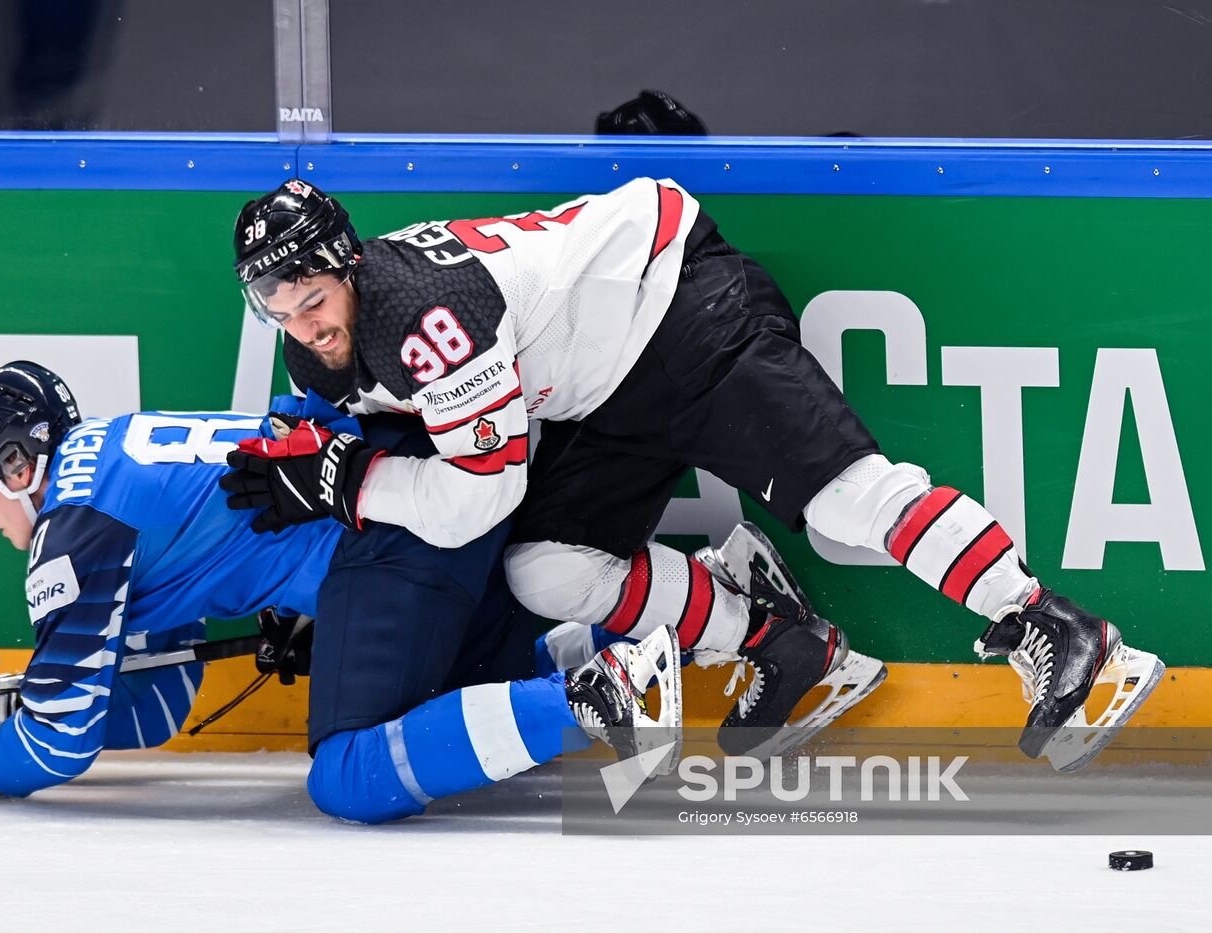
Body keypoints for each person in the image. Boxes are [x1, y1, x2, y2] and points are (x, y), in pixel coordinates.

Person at [223, 178, 1165, 772]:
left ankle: (1063, 628)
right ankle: (785, 639)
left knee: (843, 499)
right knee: (543, 568)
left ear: (348, 265)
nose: (305, 325)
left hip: (680, 309)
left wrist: (348, 485)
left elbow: (481, 494)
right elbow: (378, 435)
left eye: (313, 299)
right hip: (600, 386)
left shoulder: (425, 314)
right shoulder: (330, 341)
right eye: (281, 309)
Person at [0, 361, 682, 822]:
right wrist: (12, 713)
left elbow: (60, 744)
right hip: (413, 488)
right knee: (463, 687)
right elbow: (156, 703)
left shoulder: (71, 530)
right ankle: (698, 615)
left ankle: (595, 703)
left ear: (14, 462)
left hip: (379, 537)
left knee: (350, 776)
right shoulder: (110, 460)